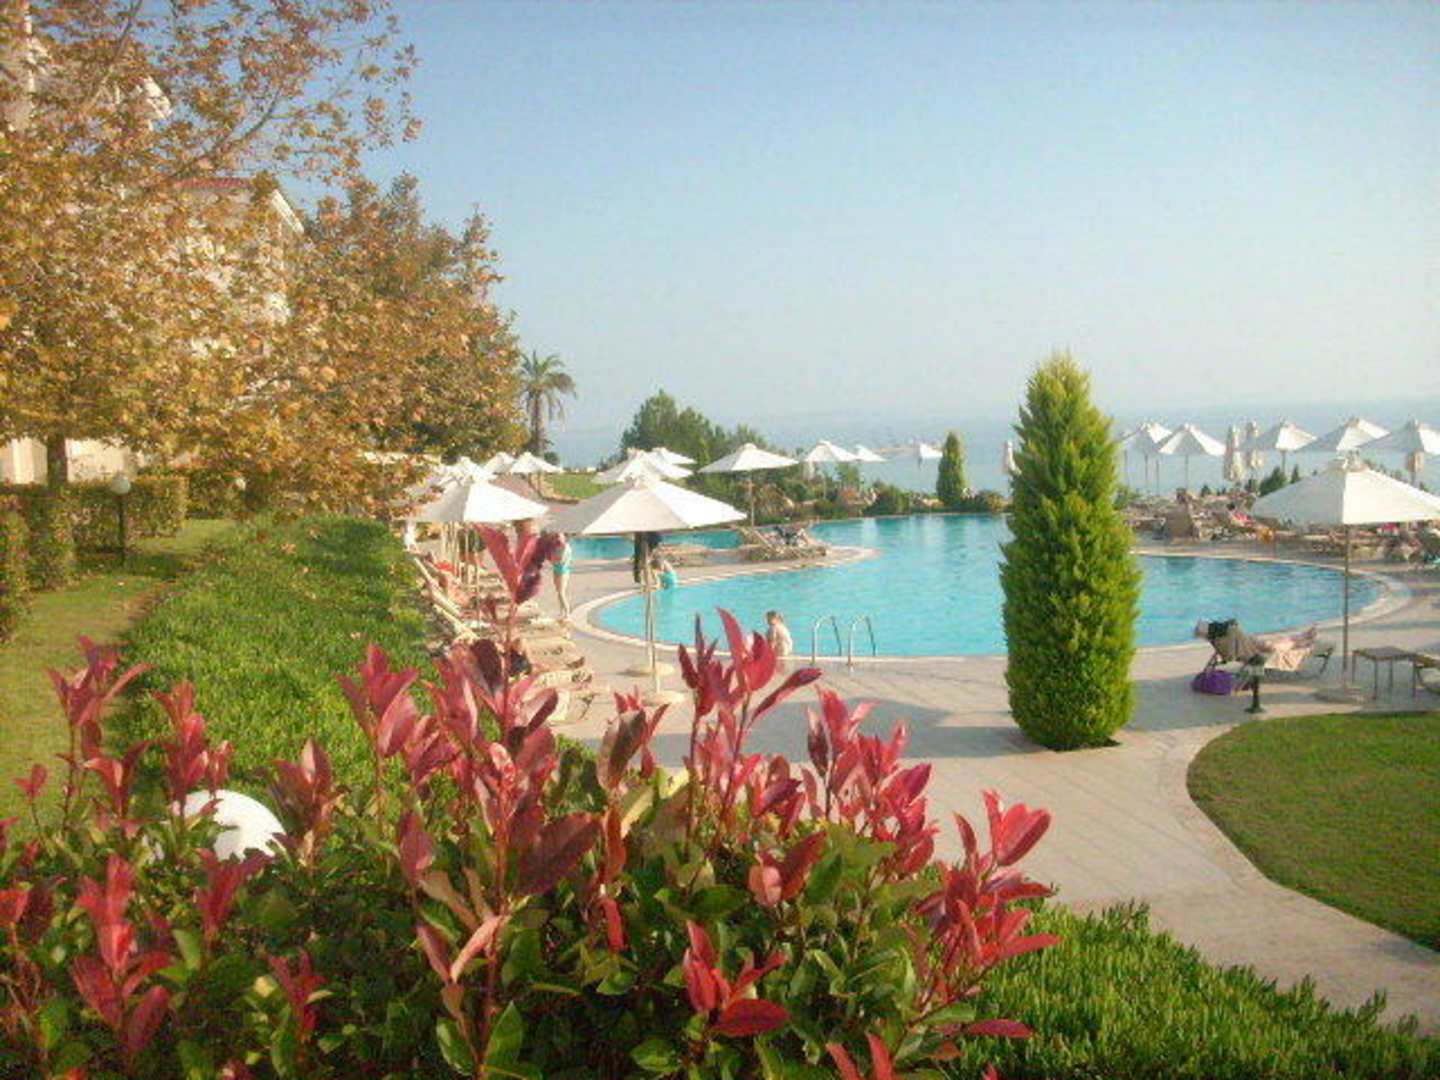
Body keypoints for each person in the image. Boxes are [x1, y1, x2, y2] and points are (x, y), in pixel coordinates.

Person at [551, 531, 573, 619]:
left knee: (561, 592)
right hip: (556, 570)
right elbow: (553, 558)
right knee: (558, 592)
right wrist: (554, 559)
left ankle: (567, 612)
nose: (558, 538)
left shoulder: (567, 548)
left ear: (564, 537)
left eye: (559, 537)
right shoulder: (557, 546)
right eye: (557, 537)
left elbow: (560, 560)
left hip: (563, 572)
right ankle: (561, 611)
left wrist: (555, 559)